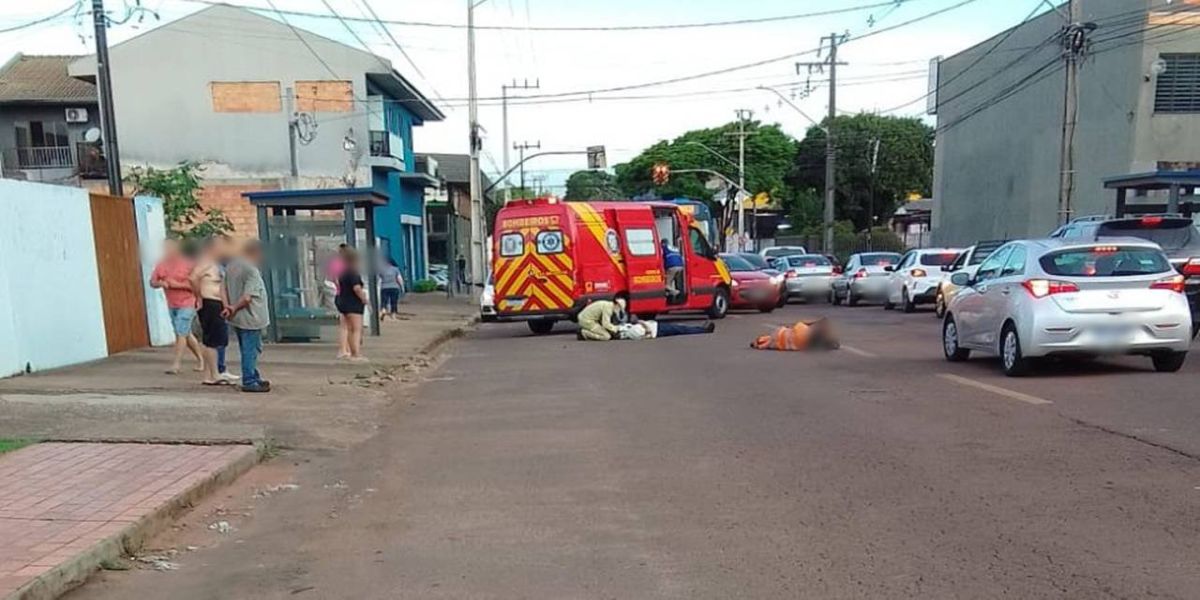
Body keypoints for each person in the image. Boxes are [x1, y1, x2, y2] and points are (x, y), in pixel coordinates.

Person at [149, 239, 204, 374]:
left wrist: (176, 284)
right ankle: (202, 360)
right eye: (165, 248)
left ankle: (176, 364)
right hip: (172, 304)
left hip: (188, 302)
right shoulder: (161, 265)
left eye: (170, 248)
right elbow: (152, 282)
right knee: (185, 333)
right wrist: (161, 284)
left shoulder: (188, 264)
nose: (167, 251)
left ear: (177, 249)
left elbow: (196, 285)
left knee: (180, 332)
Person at [223, 240, 271, 393]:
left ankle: (254, 376)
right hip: (251, 317)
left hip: (237, 317)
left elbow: (222, 288)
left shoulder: (231, 265)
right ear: (256, 252)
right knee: (251, 350)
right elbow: (247, 297)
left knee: (246, 348)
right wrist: (235, 307)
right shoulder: (251, 270)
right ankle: (249, 380)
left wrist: (228, 307)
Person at [190, 238, 230, 385]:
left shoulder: (215, 264)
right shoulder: (206, 262)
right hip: (210, 303)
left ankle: (209, 375)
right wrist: (199, 296)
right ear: (211, 248)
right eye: (219, 247)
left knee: (211, 340)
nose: (222, 250)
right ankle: (215, 374)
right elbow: (193, 277)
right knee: (213, 340)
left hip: (216, 303)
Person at [335, 250, 369, 361]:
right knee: (356, 329)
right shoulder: (354, 273)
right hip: (353, 304)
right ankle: (356, 354)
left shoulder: (342, 273)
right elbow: (357, 288)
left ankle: (349, 351)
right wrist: (364, 299)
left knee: (348, 328)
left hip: (343, 302)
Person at [751, 318, 840, 351]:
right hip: (797, 338)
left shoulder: (773, 342)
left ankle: (823, 337)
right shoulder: (773, 338)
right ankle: (824, 337)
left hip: (797, 340)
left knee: (807, 331)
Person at [617, 318, 715, 340]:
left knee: (681, 328)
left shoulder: (627, 328)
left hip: (657, 327)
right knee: (682, 329)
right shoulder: (631, 332)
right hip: (657, 330)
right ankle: (703, 330)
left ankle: (701, 328)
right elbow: (647, 332)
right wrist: (641, 322)